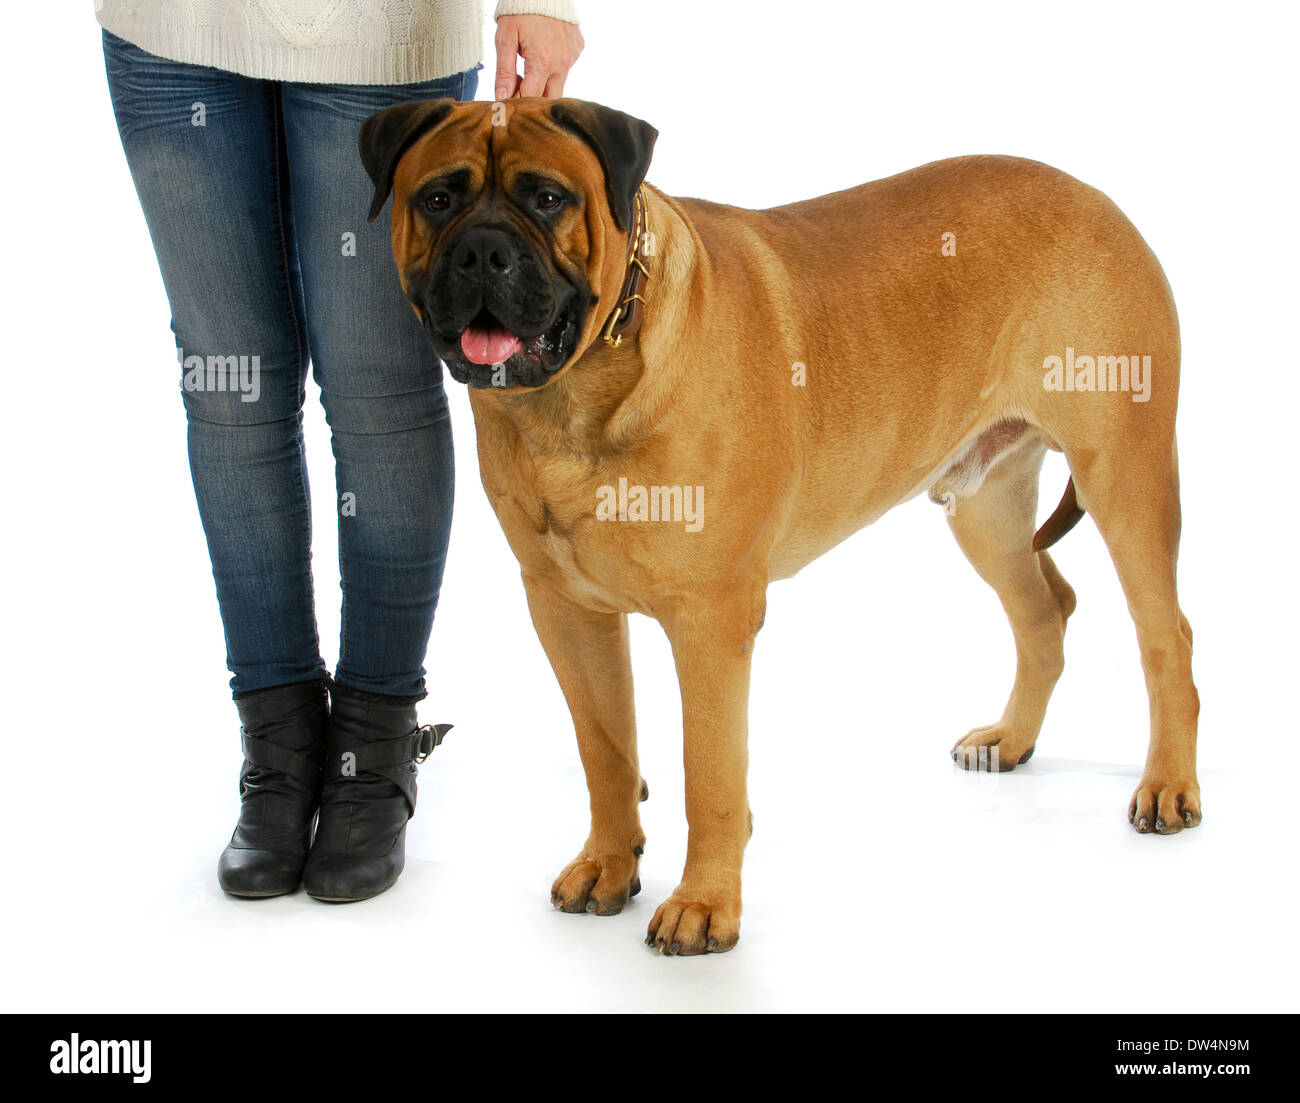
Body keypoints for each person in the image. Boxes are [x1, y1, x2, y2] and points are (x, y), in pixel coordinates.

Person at [99, 1, 583, 903]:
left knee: (381, 393)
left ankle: (373, 746)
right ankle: (279, 756)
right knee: (230, 388)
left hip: (382, 31)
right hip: (169, 30)